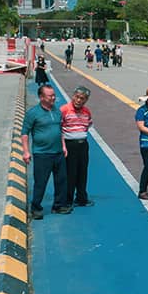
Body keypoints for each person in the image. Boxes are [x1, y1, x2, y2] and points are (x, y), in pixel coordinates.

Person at [21, 84, 68, 219]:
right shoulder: (33, 113)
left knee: (61, 181)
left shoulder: (57, 111)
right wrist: (26, 151)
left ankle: (58, 206)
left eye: (53, 95)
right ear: (41, 97)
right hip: (42, 154)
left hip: (58, 152)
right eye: (50, 96)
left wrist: (63, 146)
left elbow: (60, 131)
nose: (53, 98)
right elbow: (25, 133)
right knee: (41, 182)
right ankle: (36, 207)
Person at [61, 85, 94, 207]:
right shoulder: (64, 110)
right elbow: (59, 128)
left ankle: (81, 198)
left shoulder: (86, 111)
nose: (79, 100)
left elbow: (88, 124)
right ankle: (68, 199)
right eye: (78, 97)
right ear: (73, 96)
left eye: (83, 98)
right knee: (70, 173)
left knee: (82, 172)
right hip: (69, 145)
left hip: (83, 145)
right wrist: (63, 145)